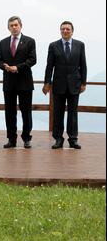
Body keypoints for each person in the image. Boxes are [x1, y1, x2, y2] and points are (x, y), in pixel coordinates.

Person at [43, 21, 87, 149]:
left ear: (72, 31)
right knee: (58, 113)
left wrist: (84, 82)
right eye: (63, 29)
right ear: (60, 31)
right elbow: (49, 66)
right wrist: (47, 82)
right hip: (58, 84)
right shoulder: (53, 45)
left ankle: (73, 139)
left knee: (73, 113)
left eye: (67, 29)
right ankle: (58, 139)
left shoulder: (80, 45)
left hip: (75, 84)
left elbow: (83, 65)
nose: (65, 31)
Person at [0, 16, 36, 149]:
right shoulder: (3, 42)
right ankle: (11, 139)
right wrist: (5, 66)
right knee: (10, 112)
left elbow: (32, 60)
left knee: (26, 112)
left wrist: (17, 67)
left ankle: (26, 138)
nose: (14, 27)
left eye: (16, 25)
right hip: (9, 82)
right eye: (11, 25)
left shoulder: (30, 41)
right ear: (8, 28)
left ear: (21, 26)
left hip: (24, 82)